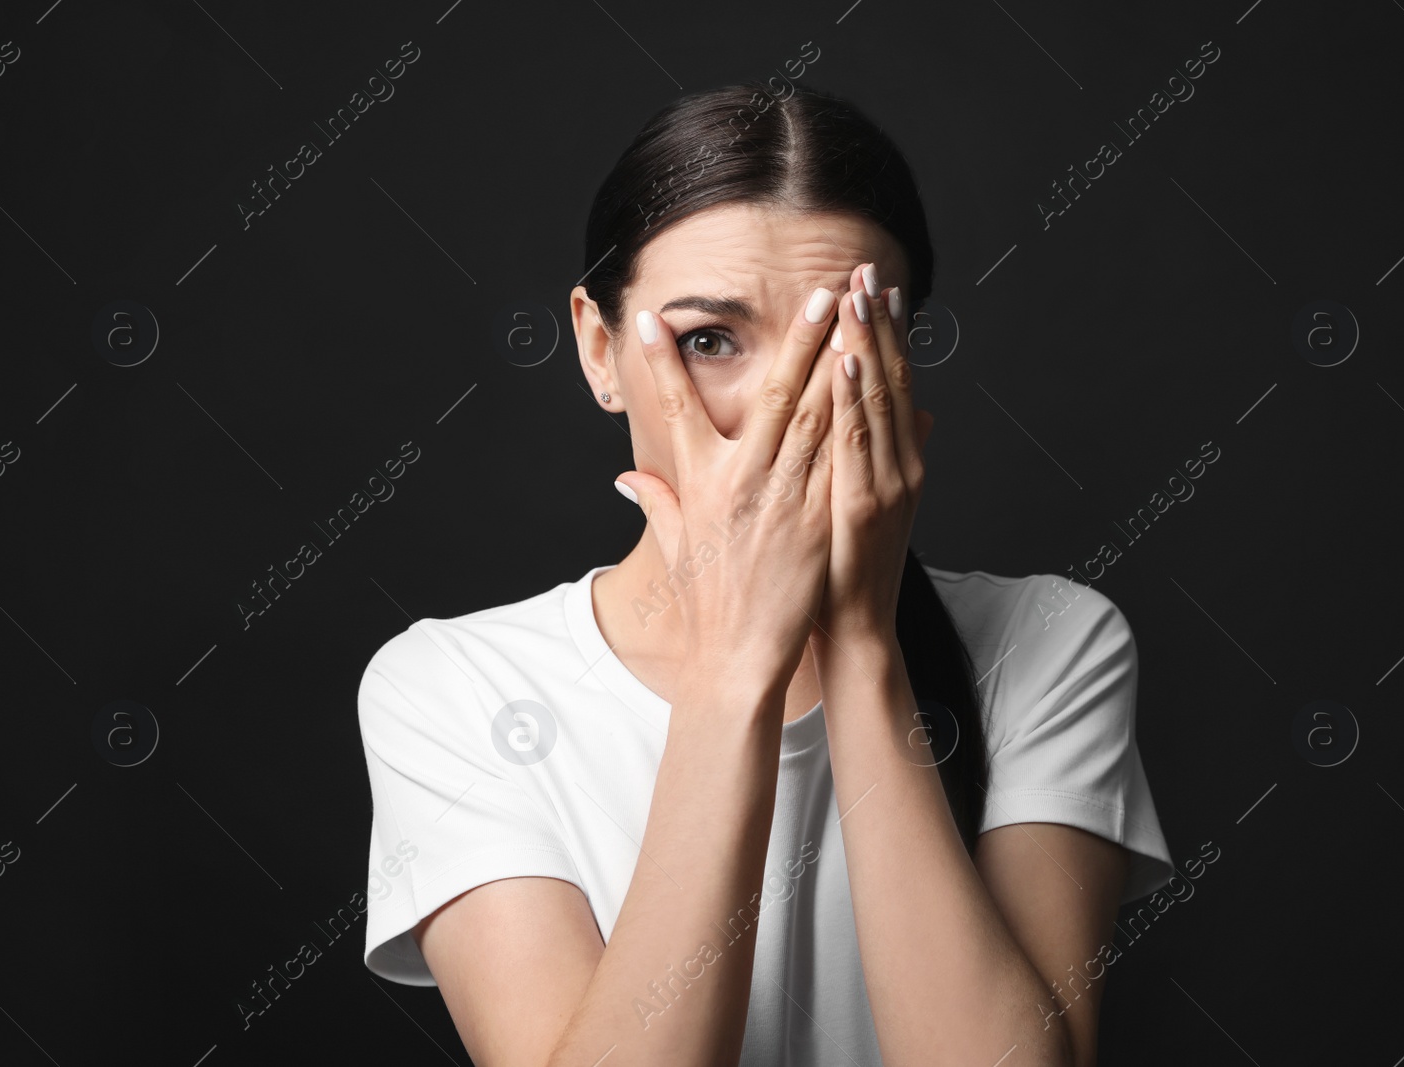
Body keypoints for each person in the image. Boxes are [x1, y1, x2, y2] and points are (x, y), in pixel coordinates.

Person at [356, 81, 1175, 1067]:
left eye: (840, 340)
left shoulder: (1053, 642)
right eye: (709, 340)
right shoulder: (453, 687)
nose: (780, 410)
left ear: (901, 355)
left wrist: (863, 644)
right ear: (599, 348)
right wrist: (733, 666)